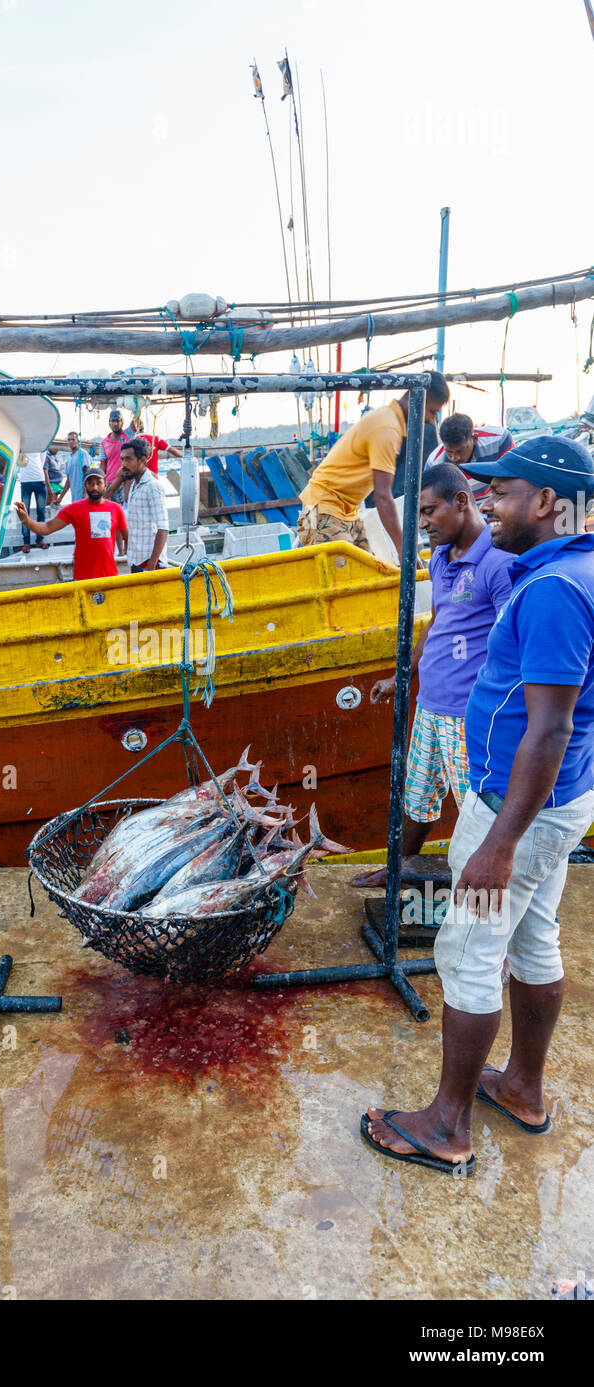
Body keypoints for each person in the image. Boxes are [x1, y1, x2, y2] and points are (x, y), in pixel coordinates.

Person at [363, 434, 594, 1174]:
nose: (488, 502)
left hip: (516, 812)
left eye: (502, 491)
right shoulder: (572, 568)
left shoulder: (554, 588)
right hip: (558, 805)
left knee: (468, 952)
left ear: (548, 502)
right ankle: (522, 1088)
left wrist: (497, 844)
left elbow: (552, 725)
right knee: (535, 940)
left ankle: (445, 1123)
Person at [352, 462, 515, 889]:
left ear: (461, 502)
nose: (423, 524)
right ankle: (398, 869)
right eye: (419, 515)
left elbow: (514, 643)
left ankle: (488, 894)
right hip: (429, 707)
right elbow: (439, 621)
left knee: (480, 809)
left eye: (428, 512)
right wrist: (401, 675)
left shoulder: (499, 564)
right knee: (418, 798)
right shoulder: (441, 557)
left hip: (470, 717)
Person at [297, 371, 450, 560]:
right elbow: (382, 496)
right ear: (416, 399)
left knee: (369, 571)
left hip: (348, 509)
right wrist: (404, 551)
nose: (431, 420)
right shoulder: (387, 427)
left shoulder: (391, 422)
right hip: (326, 506)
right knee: (342, 578)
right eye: (432, 411)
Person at [14, 466, 127, 581]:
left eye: (99, 483)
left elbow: (128, 537)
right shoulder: (74, 509)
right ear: (85, 485)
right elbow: (48, 527)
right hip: (82, 577)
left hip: (110, 575)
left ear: (105, 484)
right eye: (90, 483)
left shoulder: (116, 508)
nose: (95, 487)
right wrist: (27, 521)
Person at [427, 412, 515, 501]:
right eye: (449, 452)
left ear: (474, 439)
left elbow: (510, 479)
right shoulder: (434, 463)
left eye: (460, 451)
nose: (455, 458)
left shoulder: (500, 440)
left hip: (494, 499)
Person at [119, 438, 169, 572]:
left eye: (128, 459)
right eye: (122, 459)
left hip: (150, 563)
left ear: (142, 460)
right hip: (136, 559)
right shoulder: (134, 485)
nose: (123, 464)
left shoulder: (153, 486)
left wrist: (152, 564)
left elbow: (163, 528)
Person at [19, 451, 51, 554]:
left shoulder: (41, 445)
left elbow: (41, 462)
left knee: (41, 512)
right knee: (25, 513)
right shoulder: (21, 444)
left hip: (39, 479)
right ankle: (26, 542)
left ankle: (40, 540)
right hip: (25, 481)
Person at [99, 409, 135, 503]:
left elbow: (136, 420)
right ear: (109, 423)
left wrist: (136, 407)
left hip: (126, 481)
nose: (115, 424)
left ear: (122, 422)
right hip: (110, 483)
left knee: (125, 511)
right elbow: (103, 464)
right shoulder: (103, 443)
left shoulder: (128, 434)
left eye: (117, 421)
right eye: (112, 421)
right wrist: (101, 482)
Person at [59, 432, 93, 504]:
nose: (71, 442)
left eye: (73, 439)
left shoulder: (83, 454)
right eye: (69, 440)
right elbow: (68, 482)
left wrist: (85, 494)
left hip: (84, 497)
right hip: (74, 498)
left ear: (77, 440)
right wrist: (60, 498)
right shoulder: (69, 459)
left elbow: (88, 475)